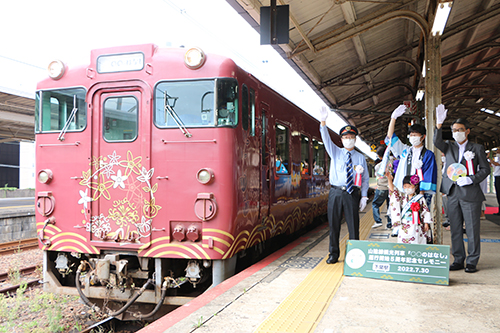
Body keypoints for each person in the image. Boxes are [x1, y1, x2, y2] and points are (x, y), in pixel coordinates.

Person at [434, 104, 490, 273]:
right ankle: (458, 259)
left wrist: (471, 179)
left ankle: (472, 261)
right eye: (454, 129)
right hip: (452, 193)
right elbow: (436, 141)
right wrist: (438, 124)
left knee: (472, 229)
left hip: (470, 193)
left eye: (460, 129)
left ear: (467, 131)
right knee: (455, 229)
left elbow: (485, 169)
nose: (456, 132)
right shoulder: (449, 146)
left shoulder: (477, 148)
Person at [319, 106, 369, 264]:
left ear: (355, 139)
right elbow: (326, 139)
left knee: (353, 225)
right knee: (334, 225)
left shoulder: (361, 158)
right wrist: (323, 122)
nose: (348, 139)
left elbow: (366, 178)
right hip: (335, 193)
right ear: (341, 139)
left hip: (352, 193)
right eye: (345, 137)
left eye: (351, 136)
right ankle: (333, 254)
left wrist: (364, 196)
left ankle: (354, 256)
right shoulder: (335, 152)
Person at [385, 105, 437, 236]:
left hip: (418, 193)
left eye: (415, 135)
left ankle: (419, 239)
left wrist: (420, 195)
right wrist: (393, 118)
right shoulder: (404, 150)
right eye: (411, 135)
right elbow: (390, 138)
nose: (412, 137)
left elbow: (429, 174)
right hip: (402, 190)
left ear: (423, 137)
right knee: (401, 216)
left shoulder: (428, 154)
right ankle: (401, 235)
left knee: (418, 220)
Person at [387, 173, 432, 244]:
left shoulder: (420, 198)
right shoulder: (402, 197)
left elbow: (425, 210)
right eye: (405, 186)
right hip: (404, 224)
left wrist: (426, 223)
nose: (407, 188)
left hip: (416, 225)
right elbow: (393, 192)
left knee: (417, 242)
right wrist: (389, 179)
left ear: (415, 186)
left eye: (409, 186)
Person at [371, 146, 392, 229]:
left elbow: (377, 177)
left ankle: (378, 221)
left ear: (379, 156)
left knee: (375, 204)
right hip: (391, 188)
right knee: (390, 206)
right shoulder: (392, 163)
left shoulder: (377, 166)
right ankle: (390, 224)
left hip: (381, 189)